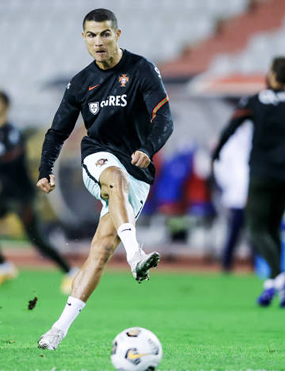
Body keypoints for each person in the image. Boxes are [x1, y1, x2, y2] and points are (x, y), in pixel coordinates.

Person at [36, 9, 173, 350]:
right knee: (113, 174)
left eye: (105, 34)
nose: (98, 42)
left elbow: (164, 118)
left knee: (99, 251)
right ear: (84, 38)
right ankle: (135, 254)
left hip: (138, 170)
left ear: (118, 34)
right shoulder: (80, 83)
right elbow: (57, 132)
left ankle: (58, 329)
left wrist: (149, 147)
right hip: (98, 158)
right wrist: (45, 169)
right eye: (91, 35)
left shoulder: (141, 69)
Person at [212, 57, 285, 308]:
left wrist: (217, 152)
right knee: (273, 227)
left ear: (273, 74)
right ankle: (272, 285)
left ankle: (278, 277)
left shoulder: (256, 100)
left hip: (262, 174)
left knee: (255, 227)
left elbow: (231, 127)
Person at [0, 90, 77, 293]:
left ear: (5, 106)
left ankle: (71, 272)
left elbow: (11, 160)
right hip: (5, 193)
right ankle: (4, 267)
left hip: (22, 195)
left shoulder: (12, 131)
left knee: (36, 240)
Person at [212, 121, 253, 272]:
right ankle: (227, 264)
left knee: (254, 234)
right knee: (234, 233)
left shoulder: (253, 140)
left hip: (251, 196)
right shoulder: (230, 144)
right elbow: (220, 168)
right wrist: (229, 186)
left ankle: (257, 266)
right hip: (235, 196)